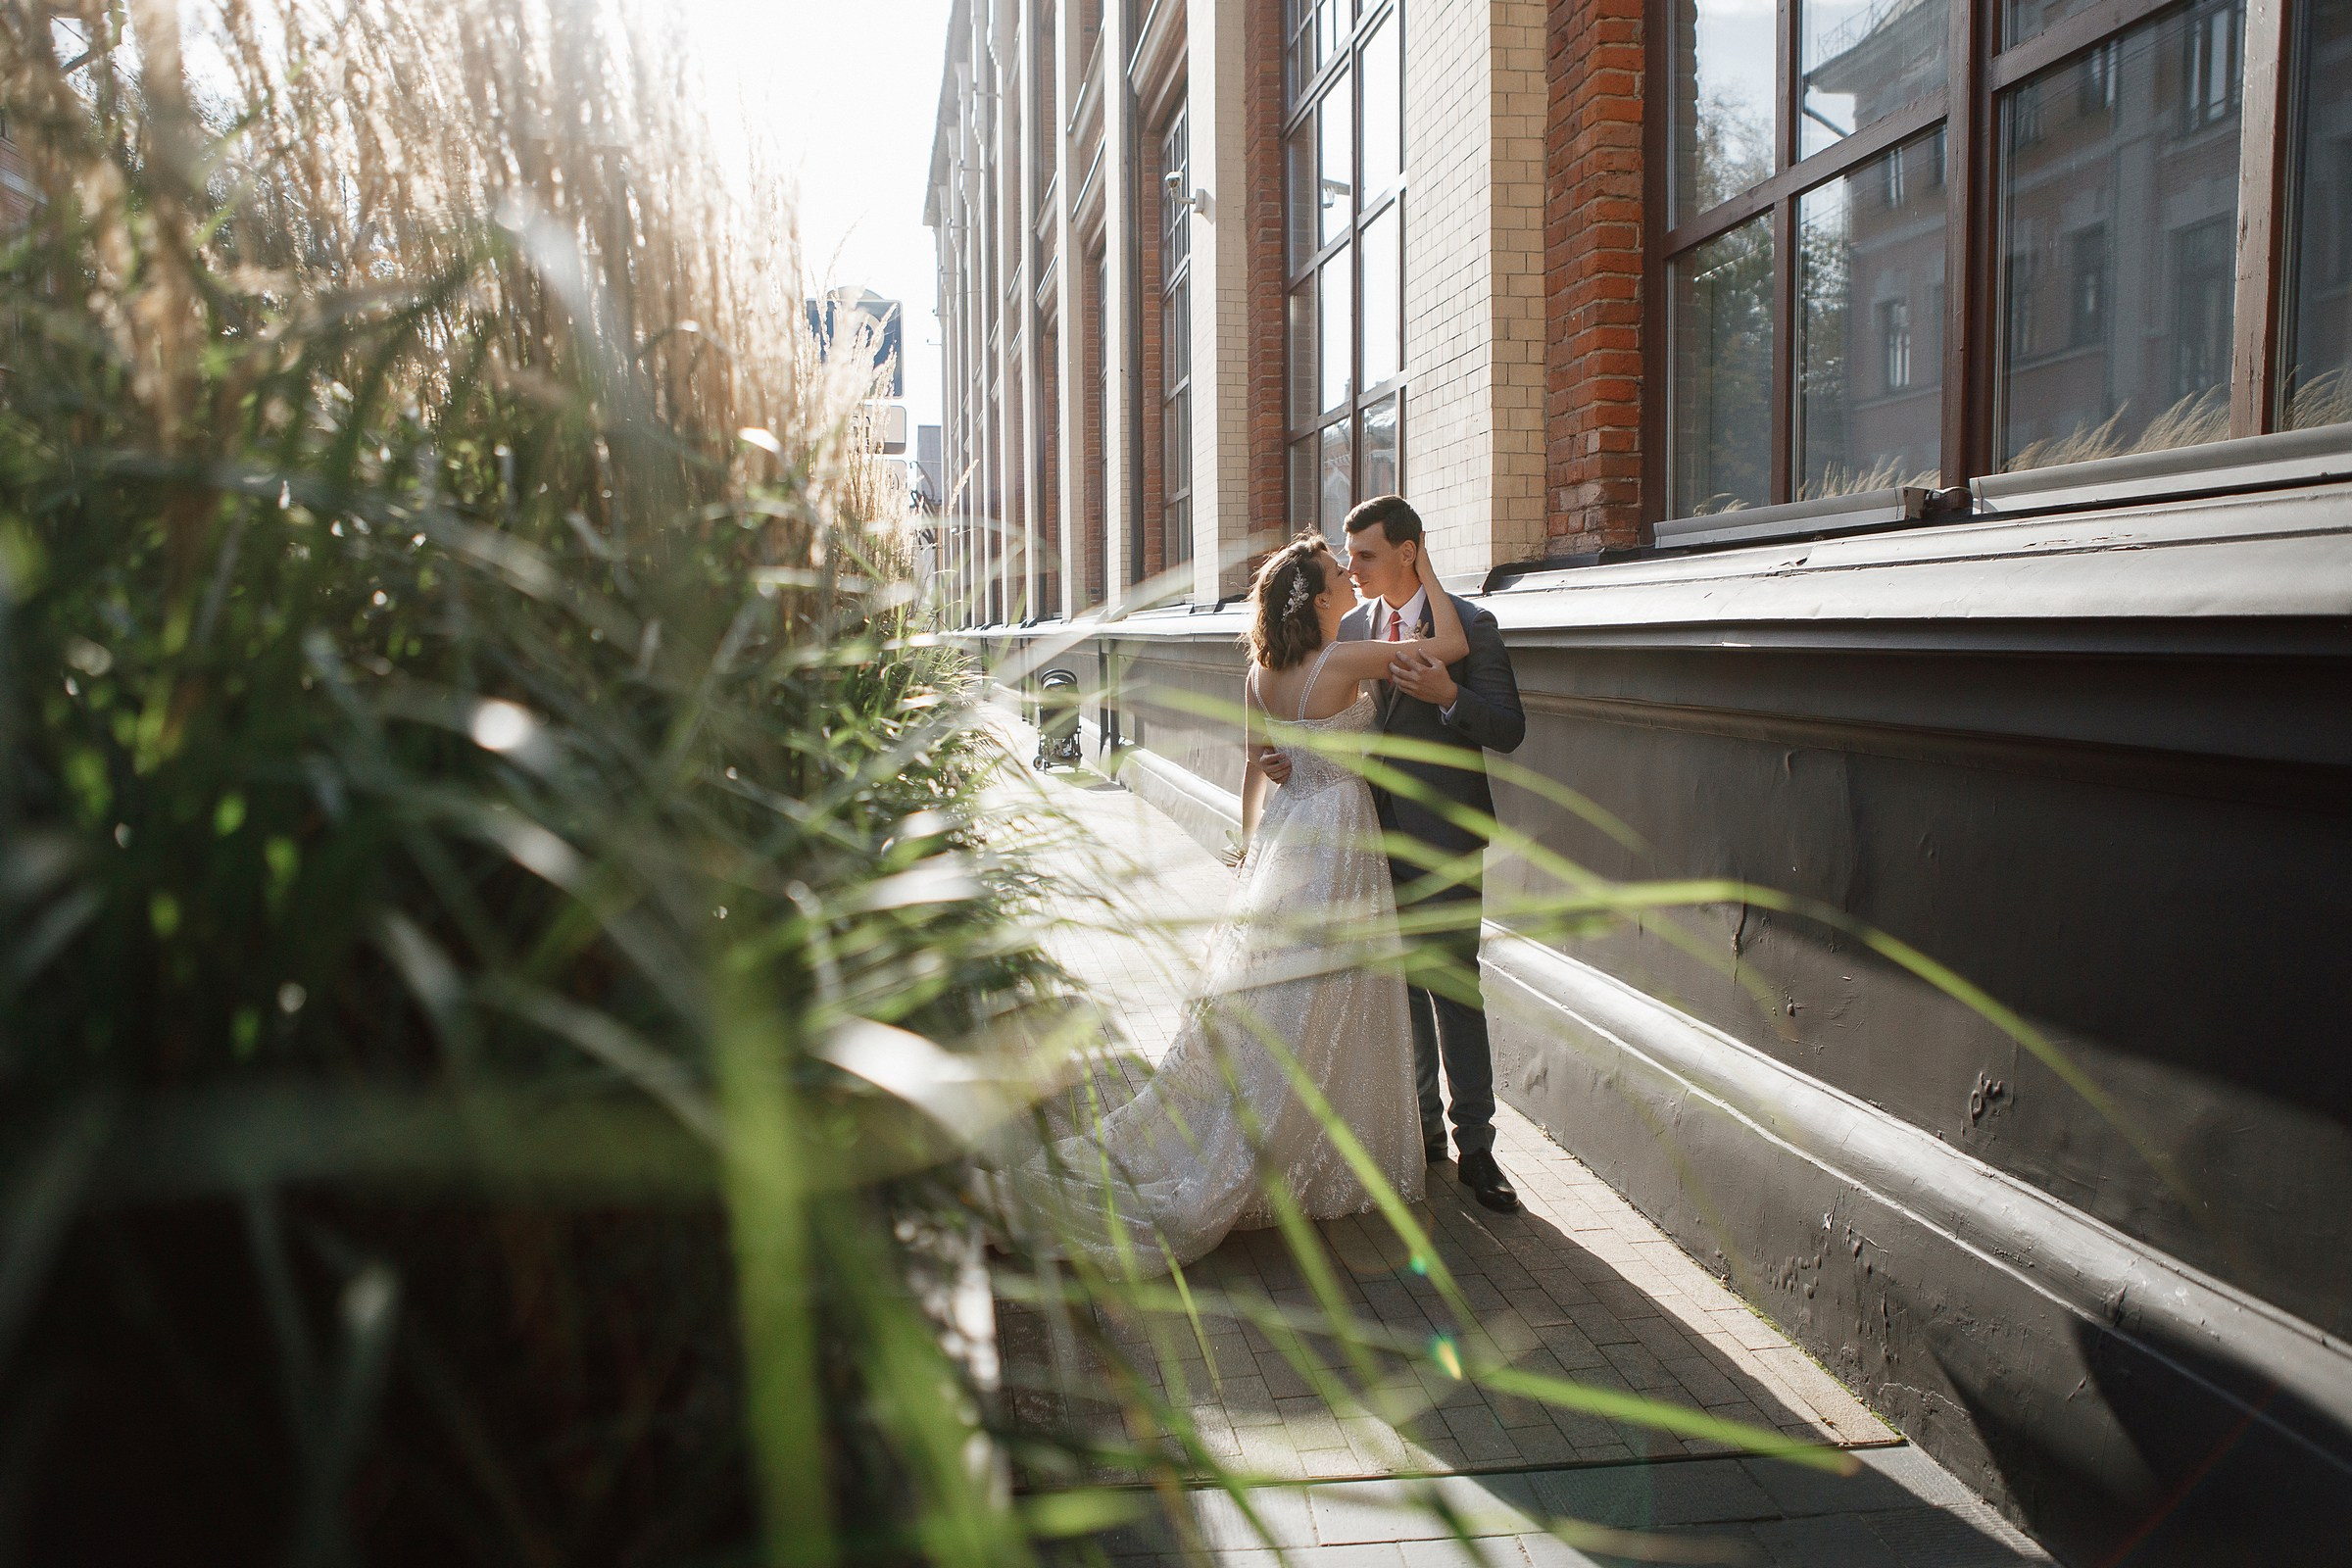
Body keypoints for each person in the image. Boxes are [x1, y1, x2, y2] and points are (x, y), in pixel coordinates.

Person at [1006, 533, 1468, 1273]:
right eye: (1337, 576)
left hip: (1290, 834)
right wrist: (1427, 570)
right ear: (1318, 600)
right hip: (1343, 836)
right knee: (1336, 993)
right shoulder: (1341, 661)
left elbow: (1256, 768)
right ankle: (1317, 1153)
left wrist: (1251, 850)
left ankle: (1293, 1134)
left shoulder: (1261, 674)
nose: (1351, 580)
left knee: (1283, 998)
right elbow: (1445, 646)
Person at [1261, 496, 1527, 1213]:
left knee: (1452, 990)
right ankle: (1421, 1136)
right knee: (1395, 993)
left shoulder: (1472, 626)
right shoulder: (1347, 629)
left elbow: (1508, 728)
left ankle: (1478, 1150)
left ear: (1409, 552)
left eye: (1368, 555)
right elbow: (1312, 718)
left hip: (1442, 842)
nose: (1354, 568)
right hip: (1362, 842)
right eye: (1348, 557)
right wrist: (1287, 758)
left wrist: (1449, 696)